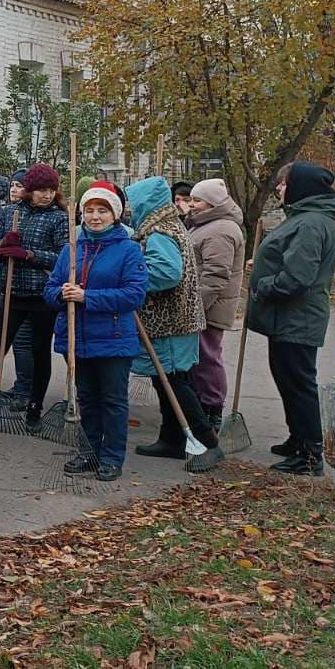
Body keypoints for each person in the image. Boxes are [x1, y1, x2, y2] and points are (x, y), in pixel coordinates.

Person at [44, 182, 147, 482]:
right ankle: (88, 452)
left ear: (115, 214)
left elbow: (134, 295)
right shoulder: (72, 248)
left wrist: (88, 297)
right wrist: (62, 294)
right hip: (76, 338)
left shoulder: (128, 250)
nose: (94, 217)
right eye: (89, 210)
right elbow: (50, 290)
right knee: (86, 398)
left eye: (102, 210)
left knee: (113, 401)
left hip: (113, 338)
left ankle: (112, 457)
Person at [248, 162, 335, 475]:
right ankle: (298, 439)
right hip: (288, 319)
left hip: (297, 318)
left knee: (299, 383)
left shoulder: (312, 223)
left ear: (301, 187)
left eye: (284, 183)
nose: (278, 188)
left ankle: (311, 454)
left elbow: (298, 277)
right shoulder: (305, 218)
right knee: (287, 378)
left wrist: (263, 285)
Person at [125, 176, 221, 465]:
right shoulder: (167, 226)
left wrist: (133, 277)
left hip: (170, 321)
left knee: (175, 382)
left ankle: (208, 443)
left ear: (146, 204)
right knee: (166, 380)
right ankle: (172, 439)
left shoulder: (160, 233)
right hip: (177, 319)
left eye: (134, 203)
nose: (131, 208)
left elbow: (166, 273)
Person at [0, 163, 69, 430]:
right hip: (12, 293)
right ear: (30, 191)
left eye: (51, 190)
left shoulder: (59, 218)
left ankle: (35, 407)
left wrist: (29, 255)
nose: (46, 195)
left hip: (42, 295)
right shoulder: (11, 213)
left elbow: (63, 258)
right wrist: (3, 246)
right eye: (41, 190)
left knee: (40, 350)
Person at [185, 178, 245, 429]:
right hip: (203, 304)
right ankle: (204, 405)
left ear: (212, 203)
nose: (191, 205)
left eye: (197, 200)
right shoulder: (206, 225)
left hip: (209, 307)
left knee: (208, 358)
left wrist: (195, 307)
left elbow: (216, 275)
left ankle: (212, 410)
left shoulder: (220, 230)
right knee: (200, 359)